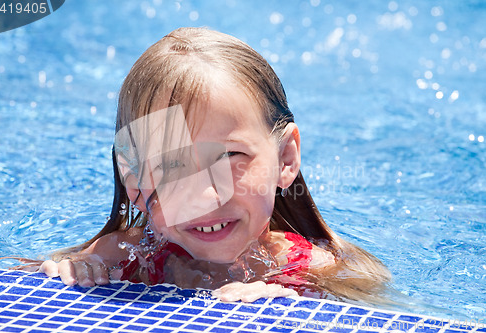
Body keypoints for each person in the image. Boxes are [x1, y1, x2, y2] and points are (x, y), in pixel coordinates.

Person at [21, 27, 391, 303]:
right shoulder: (117, 258)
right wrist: (66, 274)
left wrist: (299, 308)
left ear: (285, 158)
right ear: (134, 184)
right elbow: (15, 290)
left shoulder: (315, 270)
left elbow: (384, 309)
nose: (206, 194)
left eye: (230, 157)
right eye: (172, 165)